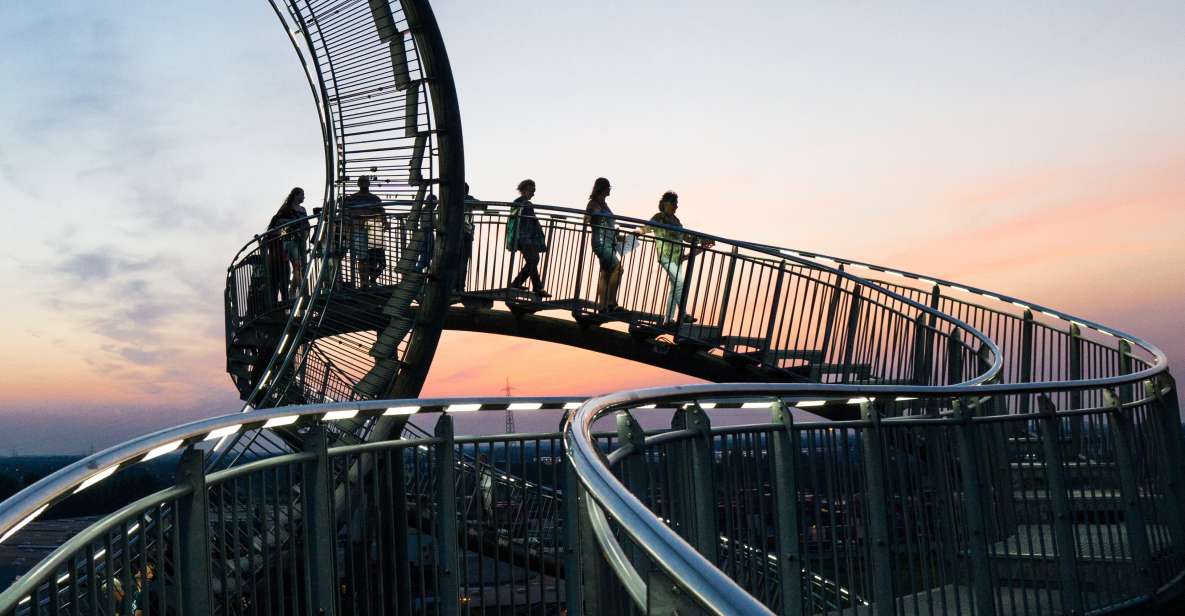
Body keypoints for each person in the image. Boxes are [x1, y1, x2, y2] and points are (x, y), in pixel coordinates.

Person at [643, 191, 713, 325]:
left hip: (677, 258)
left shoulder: (676, 220)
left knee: (675, 287)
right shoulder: (659, 217)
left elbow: (686, 237)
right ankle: (683, 314)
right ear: (666, 204)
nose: (676, 206)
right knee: (679, 282)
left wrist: (702, 240)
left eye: (676, 203)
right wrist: (639, 231)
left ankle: (668, 319)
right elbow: (648, 227)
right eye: (674, 203)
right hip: (665, 256)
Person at [505, 179, 549, 297]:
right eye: (532, 190)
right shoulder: (518, 202)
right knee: (533, 260)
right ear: (524, 190)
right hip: (523, 238)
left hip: (529, 238)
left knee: (533, 260)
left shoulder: (527, 203)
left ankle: (518, 283)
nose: (533, 193)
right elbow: (514, 215)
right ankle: (536, 287)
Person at [585, 177, 623, 312]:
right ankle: (611, 302)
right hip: (600, 242)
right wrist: (591, 216)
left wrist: (615, 233)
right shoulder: (594, 203)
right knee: (618, 268)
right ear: (603, 188)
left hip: (608, 241)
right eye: (609, 187)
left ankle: (602, 306)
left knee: (605, 272)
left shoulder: (603, 203)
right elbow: (588, 217)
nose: (610, 190)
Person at [268, 187, 310, 303]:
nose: (304, 197)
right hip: (290, 241)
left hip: (301, 240)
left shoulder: (303, 209)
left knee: (301, 267)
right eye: (302, 194)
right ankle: (294, 293)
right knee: (297, 266)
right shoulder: (287, 209)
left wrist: (305, 233)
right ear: (296, 195)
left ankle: (296, 290)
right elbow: (277, 223)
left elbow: (306, 223)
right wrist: (290, 224)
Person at [344, 176, 387, 286]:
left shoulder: (375, 198)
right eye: (362, 182)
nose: (364, 184)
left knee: (380, 260)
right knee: (363, 258)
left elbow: (382, 212)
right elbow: (348, 214)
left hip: (374, 232)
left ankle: (372, 279)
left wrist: (385, 223)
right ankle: (364, 282)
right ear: (358, 184)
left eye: (365, 182)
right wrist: (348, 232)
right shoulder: (352, 198)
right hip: (359, 230)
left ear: (368, 183)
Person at [457, 183, 485, 293]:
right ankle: (460, 287)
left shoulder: (449, 198)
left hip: (451, 234)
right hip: (465, 233)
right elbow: (483, 206)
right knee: (463, 261)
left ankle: (452, 286)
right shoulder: (468, 199)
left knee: (451, 261)